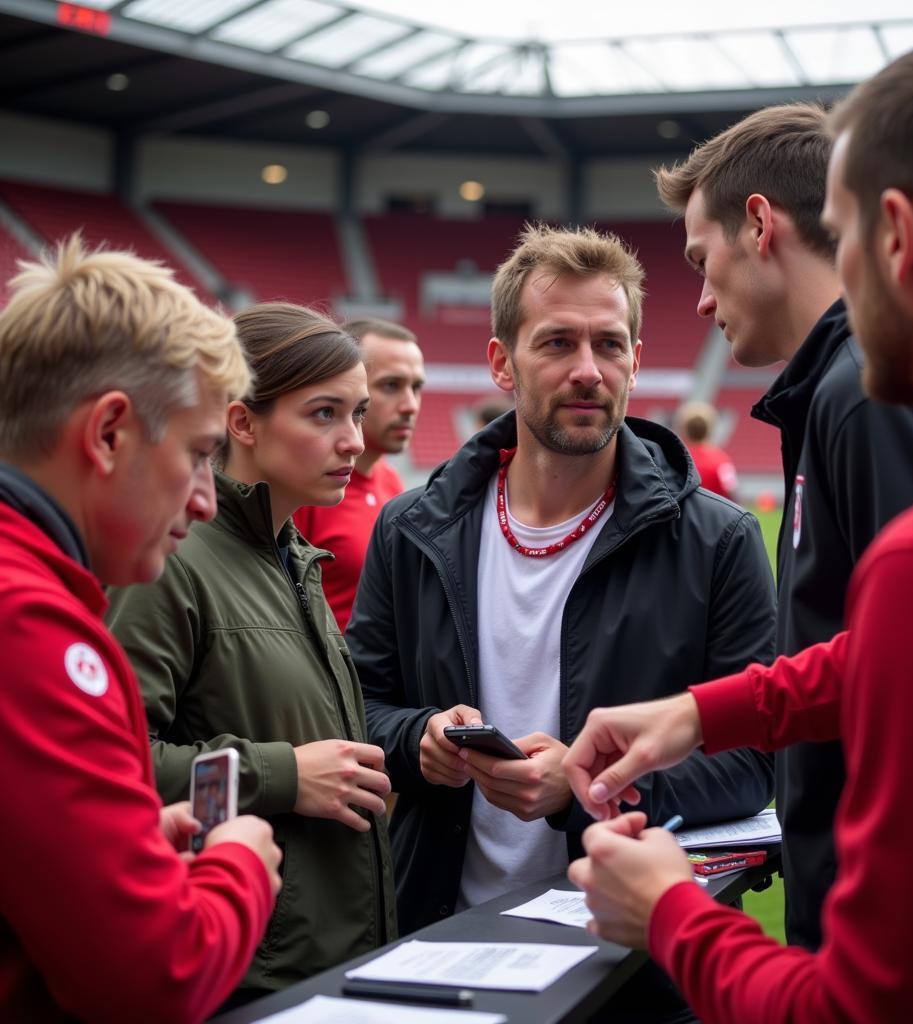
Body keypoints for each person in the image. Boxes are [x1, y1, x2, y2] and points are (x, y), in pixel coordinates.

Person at [565, 31, 913, 1022]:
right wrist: (704, 710)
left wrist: (672, 911)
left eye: (845, 230)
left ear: (896, 237)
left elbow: (869, 1007)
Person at [347, 224, 777, 940]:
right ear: (501, 363)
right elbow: (357, 704)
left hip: (634, 966)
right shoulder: (411, 530)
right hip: (439, 942)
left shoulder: (717, 541)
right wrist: (414, 738)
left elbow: (753, 761)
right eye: (556, 343)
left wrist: (587, 785)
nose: (588, 370)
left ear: (635, 362)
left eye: (609, 344)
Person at [658, 102, 913, 949]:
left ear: (759, 223)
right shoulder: (842, 386)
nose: (701, 298)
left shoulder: (864, 393)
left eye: (700, 261)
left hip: (888, 924)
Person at [0, 236, 281, 1022]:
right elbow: (157, 979)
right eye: (197, 456)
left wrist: (118, 847)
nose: (204, 499)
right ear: (110, 433)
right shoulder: (30, 626)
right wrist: (238, 868)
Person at [107, 303, 396, 1002]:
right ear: (242, 422)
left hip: (327, 963)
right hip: (244, 971)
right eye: (324, 414)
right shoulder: (172, 560)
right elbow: (119, 767)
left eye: (358, 413)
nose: (354, 440)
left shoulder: (294, 556)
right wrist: (281, 775)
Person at [293, 317, 424, 630]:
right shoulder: (307, 491)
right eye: (391, 385)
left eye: (417, 387)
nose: (410, 405)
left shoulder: (390, 481)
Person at [671, 400, 738, 500]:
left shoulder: (674, 458)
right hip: (714, 512)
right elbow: (731, 491)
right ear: (710, 429)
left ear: (684, 429)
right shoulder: (721, 460)